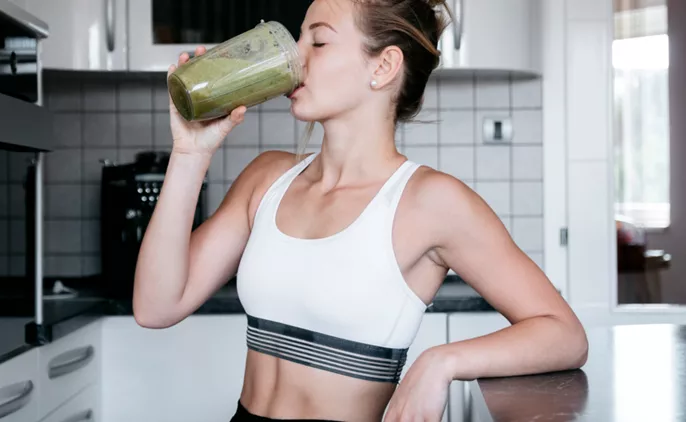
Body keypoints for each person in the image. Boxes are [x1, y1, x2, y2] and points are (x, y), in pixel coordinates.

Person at [132, 0, 589, 420]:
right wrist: (190, 155)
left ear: (384, 66)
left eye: (319, 40)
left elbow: (563, 333)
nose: (295, 58)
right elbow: (156, 307)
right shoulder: (267, 178)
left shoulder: (430, 202)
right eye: (298, 39)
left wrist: (443, 361)